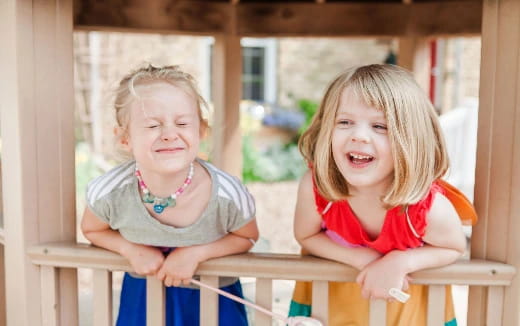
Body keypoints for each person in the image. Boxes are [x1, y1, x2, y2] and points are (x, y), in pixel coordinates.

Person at [288, 64, 476, 326]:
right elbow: (306, 235)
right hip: (332, 307)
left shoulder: (428, 208)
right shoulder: (316, 188)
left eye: (380, 126)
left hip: (408, 313)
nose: (359, 136)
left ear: (411, 139)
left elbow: (453, 247)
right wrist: (361, 258)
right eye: (344, 122)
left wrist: (400, 262)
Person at [81, 64, 259, 326]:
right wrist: (130, 249)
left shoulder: (227, 195)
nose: (169, 135)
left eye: (183, 123)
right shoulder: (110, 193)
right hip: (143, 299)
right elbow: (92, 230)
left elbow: (247, 237)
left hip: (213, 303)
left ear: (200, 131)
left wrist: (196, 254)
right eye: (153, 125)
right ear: (124, 138)